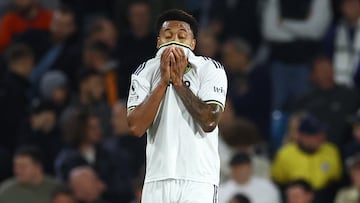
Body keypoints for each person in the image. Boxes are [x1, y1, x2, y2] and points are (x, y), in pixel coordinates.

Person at [126, 9, 228, 203]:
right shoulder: (145, 71)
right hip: (157, 178)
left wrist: (179, 83)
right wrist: (163, 82)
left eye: (182, 36)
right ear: (158, 42)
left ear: (192, 44)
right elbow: (136, 127)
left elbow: (209, 120)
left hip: (198, 179)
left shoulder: (209, 68)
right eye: (168, 36)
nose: (174, 40)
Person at [272, 114, 342, 202]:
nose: (321, 138)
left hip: (325, 197)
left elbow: (336, 179)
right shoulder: (285, 154)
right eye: (315, 135)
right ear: (302, 136)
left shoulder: (331, 151)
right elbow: (279, 181)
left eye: (322, 133)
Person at [296, 55, 359, 145]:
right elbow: (296, 127)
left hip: (346, 148)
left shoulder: (350, 95)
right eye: (322, 70)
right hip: (313, 149)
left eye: (329, 69)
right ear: (312, 75)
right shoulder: (305, 100)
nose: (327, 73)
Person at [0, 44, 34, 154]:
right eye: (31, 63)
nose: (32, 68)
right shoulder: (14, 89)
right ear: (24, 62)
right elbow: (15, 122)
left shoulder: (8, 85)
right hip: (11, 145)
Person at [17, 99, 63, 175]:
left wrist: (47, 131)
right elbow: (23, 152)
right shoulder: (27, 129)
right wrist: (35, 130)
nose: (36, 118)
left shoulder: (59, 133)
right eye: (35, 115)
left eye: (39, 114)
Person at [324, 0, 360, 89]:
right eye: (347, 3)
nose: (351, 7)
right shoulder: (334, 31)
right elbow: (326, 58)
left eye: (355, 3)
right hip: (339, 88)